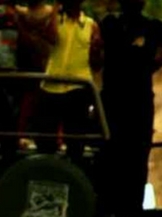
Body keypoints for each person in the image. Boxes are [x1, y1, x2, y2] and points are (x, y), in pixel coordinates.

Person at [100, 0, 162, 217]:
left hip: (137, 99)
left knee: (137, 154)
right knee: (112, 152)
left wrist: (157, 63)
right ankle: (111, 208)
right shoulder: (110, 23)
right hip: (115, 98)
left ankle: (131, 212)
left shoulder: (151, 26)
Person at [37, 0, 103, 156]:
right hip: (50, 86)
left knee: (75, 140)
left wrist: (96, 50)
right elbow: (50, 37)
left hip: (78, 89)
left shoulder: (90, 25)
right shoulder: (55, 21)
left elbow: (97, 65)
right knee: (46, 140)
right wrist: (55, 9)